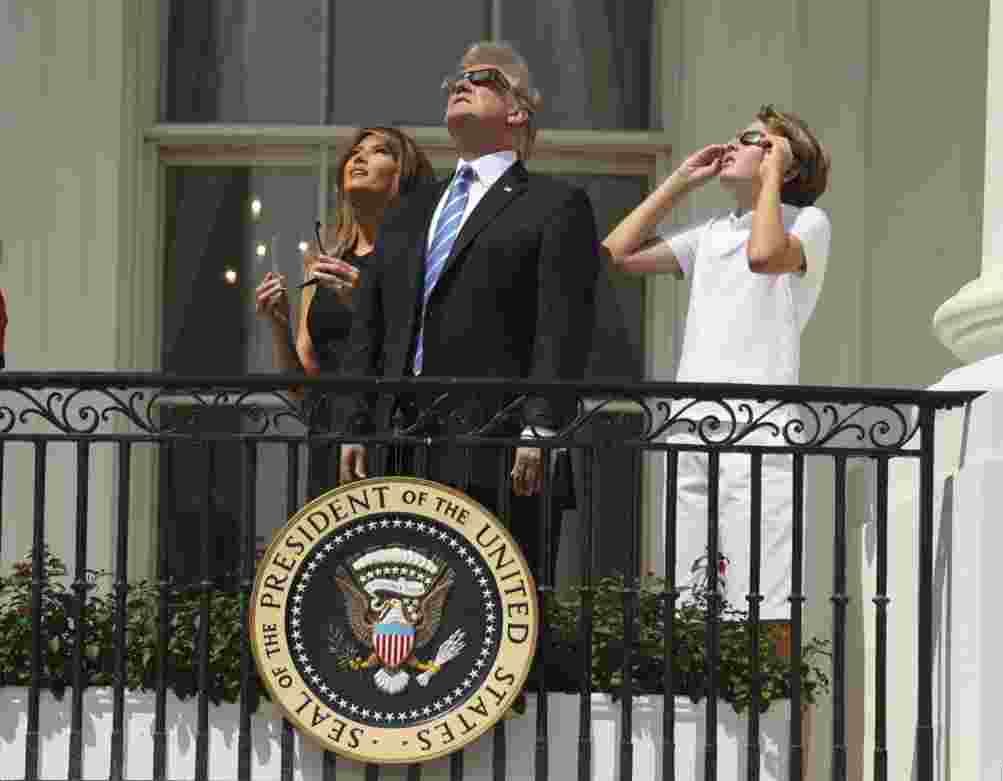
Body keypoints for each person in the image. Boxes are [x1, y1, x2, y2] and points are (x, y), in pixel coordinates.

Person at [335, 41, 601, 580]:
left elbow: (562, 326)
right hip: (402, 444)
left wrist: (542, 428)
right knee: (403, 605)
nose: (461, 84)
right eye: (456, 79)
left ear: (518, 110)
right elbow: (372, 326)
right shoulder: (411, 209)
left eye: (482, 78)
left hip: (498, 447)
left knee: (500, 614)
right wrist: (355, 424)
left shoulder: (555, 204)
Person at [601, 105, 832, 622]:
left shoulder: (809, 223)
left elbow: (764, 255)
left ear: (786, 164)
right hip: (691, 418)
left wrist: (772, 178)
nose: (733, 144)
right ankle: (689, 675)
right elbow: (614, 254)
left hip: (761, 420)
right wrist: (679, 183)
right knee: (688, 577)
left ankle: (767, 689)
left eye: (754, 140)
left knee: (761, 581)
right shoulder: (710, 232)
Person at [254, 127, 434, 495]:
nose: (359, 157)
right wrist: (278, 326)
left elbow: (419, 352)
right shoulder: (324, 264)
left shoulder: (423, 256)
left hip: (393, 436)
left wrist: (364, 303)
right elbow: (301, 387)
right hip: (330, 438)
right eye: (355, 151)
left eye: (380, 151)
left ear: (406, 175)